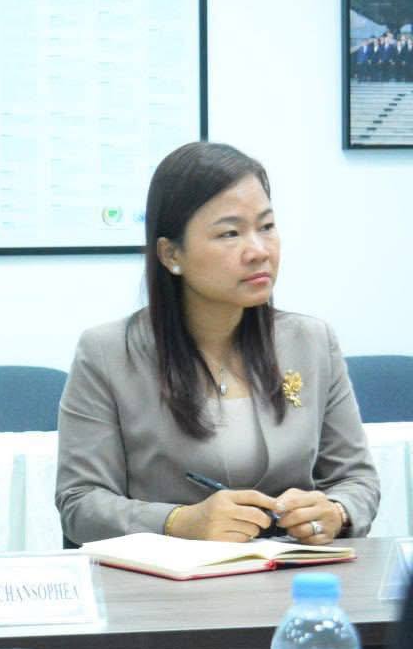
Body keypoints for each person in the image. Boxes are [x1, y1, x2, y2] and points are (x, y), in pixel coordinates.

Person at [56, 142, 379, 545]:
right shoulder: (107, 353)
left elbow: (356, 479)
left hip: (291, 571)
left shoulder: (311, 342)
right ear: (171, 254)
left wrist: (336, 511)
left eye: (266, 226)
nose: (258, 251)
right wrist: (178, 521)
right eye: (230, 233)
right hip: (164, 578)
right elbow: (80, 503)